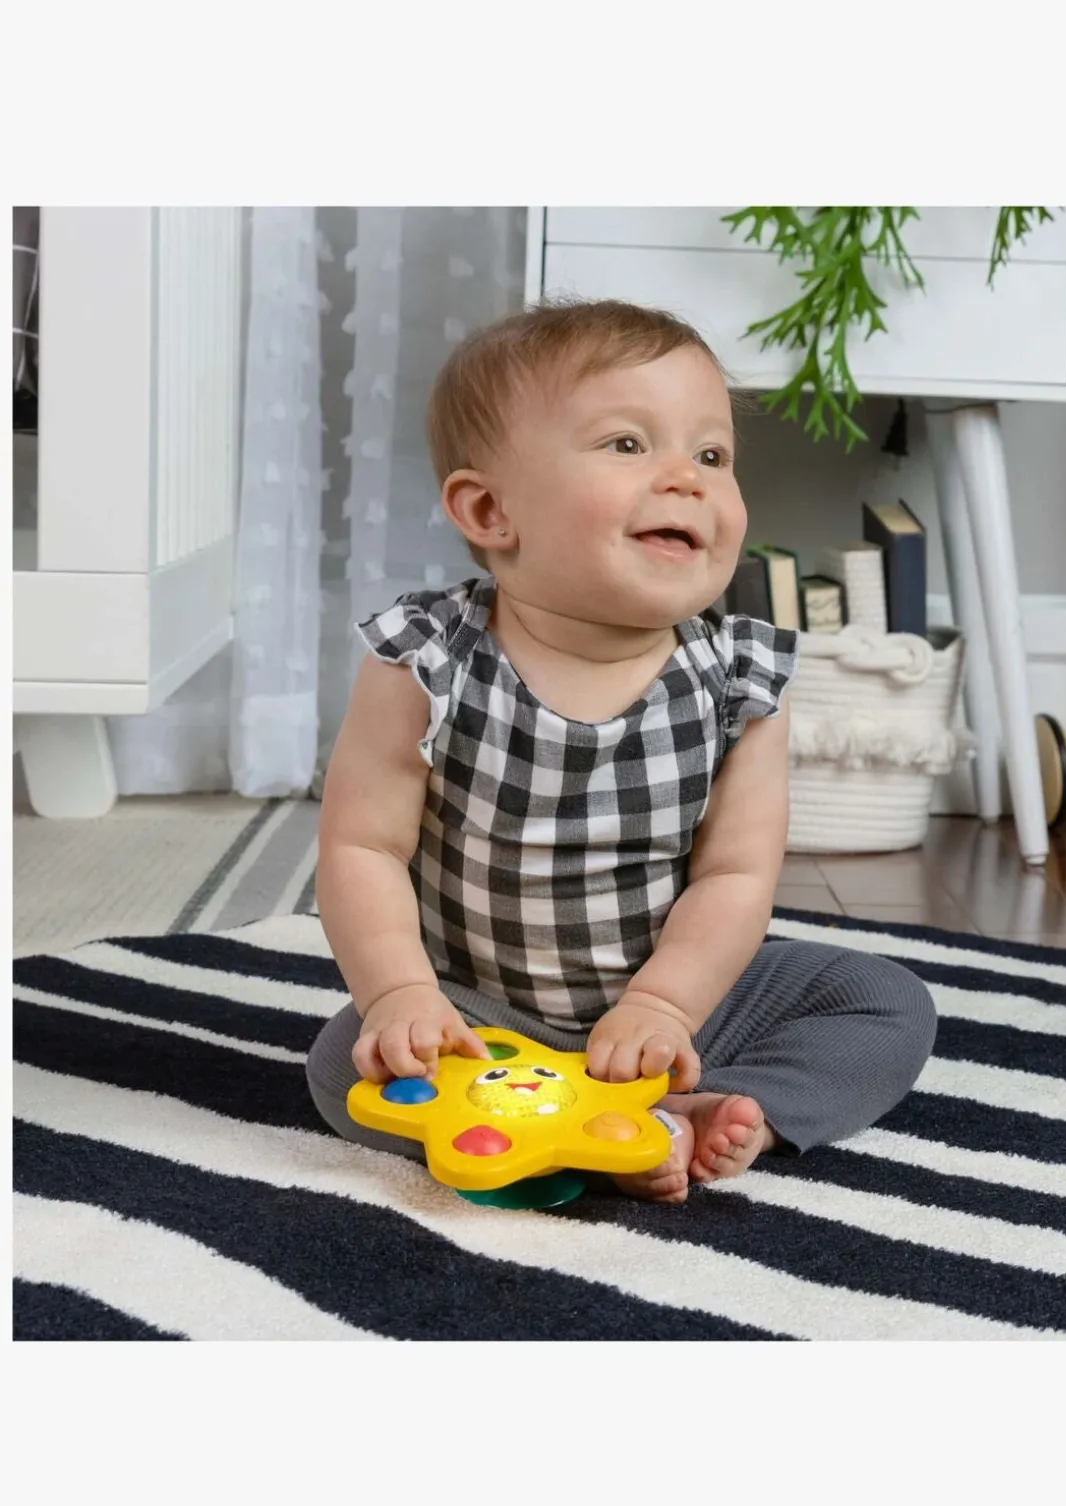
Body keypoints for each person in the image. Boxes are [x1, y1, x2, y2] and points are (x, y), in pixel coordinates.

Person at [307, 298, 937, 1203]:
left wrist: (664, 1005)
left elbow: (735, 876)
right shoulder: (428, 658)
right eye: (628, 444)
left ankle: (709, 1108)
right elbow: (362, 846)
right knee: (344, 1063)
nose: (686, 479)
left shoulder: (740, 679)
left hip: (680, 1012)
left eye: (711, 455)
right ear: (490, 509)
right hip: (482, 1015)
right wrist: (401, 994)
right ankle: (603, 1136)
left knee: (886, 1002)